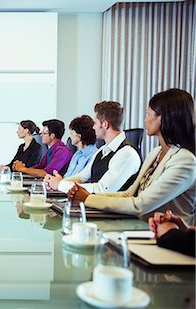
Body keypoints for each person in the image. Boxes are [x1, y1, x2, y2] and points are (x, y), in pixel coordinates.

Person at [67, 89, 195, 223]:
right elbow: (129, 194)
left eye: (148, 114)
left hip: (167, 237)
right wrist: (86, 195)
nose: (145, 119)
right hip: (140, 227)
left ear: (162, 118)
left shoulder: (184, 160)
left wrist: (88, 198)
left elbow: (139, 204)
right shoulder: (155, 153)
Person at [45, 101, 141, 193]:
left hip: (110, 209)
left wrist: (60, 185)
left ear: (105, 124)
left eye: (95, 123)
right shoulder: (102, 150)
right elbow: (81, 177)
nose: (93, 127)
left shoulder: (127, 154)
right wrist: (55, 181)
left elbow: (102, 189)